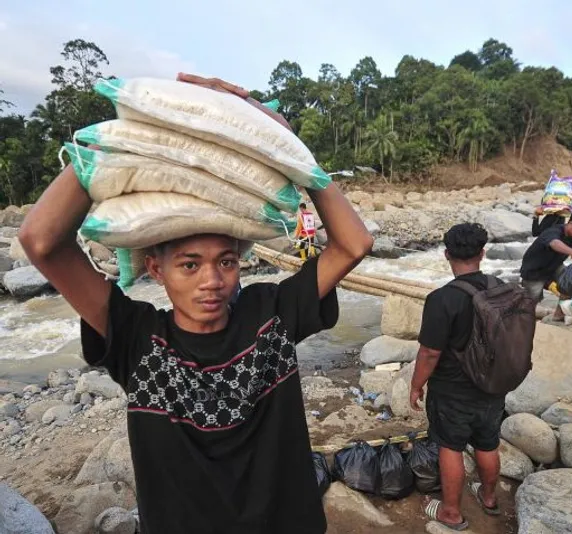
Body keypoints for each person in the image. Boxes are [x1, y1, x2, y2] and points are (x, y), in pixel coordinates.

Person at [18, 73, 374, 534]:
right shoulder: (136, 338)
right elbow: (41, 242)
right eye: (190, 265)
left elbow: (354, 244)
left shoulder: (271, 315)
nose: (213, 281)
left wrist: (292, 151)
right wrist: (132, 136)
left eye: (226, 261)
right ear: (155, 269)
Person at [409, 223, 505, 531]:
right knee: (488, 443)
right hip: (492, 385)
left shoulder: (442, 299)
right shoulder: (501, 288)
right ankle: (489, 498)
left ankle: (451, 513)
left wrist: (416, 384)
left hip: (452, 390)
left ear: (447, 254)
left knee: (450, 446)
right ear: (483, 253)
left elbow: (429, 353)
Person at [520, 210, 572, 321]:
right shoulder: (553, 231)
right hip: (533, 271)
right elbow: (554, 243)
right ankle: (524, 322)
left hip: (554, 268)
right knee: (531, 302)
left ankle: (559, 314)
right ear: (570, 223)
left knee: (571, 283)